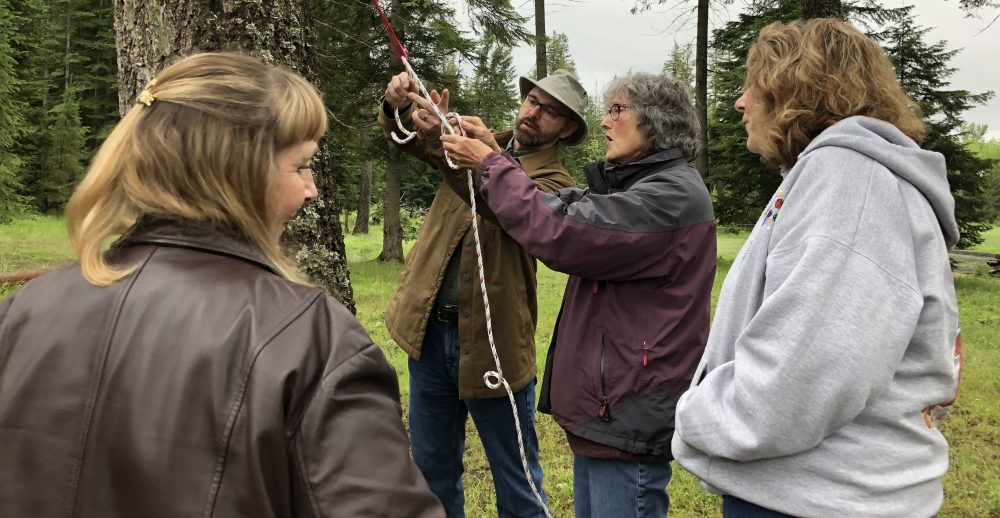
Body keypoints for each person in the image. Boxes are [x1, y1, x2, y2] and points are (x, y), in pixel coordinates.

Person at [0, 52, 444, 518]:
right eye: (300, 167)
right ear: (239, 175)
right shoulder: (311, 338)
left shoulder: (23, 309)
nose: (311, 191)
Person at [671, 18, 963, 518]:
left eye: (752, 85)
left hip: (821, 499)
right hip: (819, 490)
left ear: (793, 89)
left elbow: (806, 375)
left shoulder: (852, 181)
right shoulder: (838, 176)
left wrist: (692, 412)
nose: (740, 103)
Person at [435, 72, 717, 518]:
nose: (605, 122)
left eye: (617, 110)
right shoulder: (638, 188)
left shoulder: (668, 196)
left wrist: (491, 163)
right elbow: (558, 207)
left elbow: (561, 232)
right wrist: (489, 153)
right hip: (611, 410)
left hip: (629, 410)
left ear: (656, 123)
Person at [378, 68, 588, 518]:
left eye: (549, 111)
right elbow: (412, 141)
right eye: (532, 100)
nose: (533, 112)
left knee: (517, 483)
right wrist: (402, 107)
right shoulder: (480, 141)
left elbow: (501, 201)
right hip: (430, 336)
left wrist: (477, 156)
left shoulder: (557, 186)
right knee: (431, 472)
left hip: (496, 350)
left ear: (567, 129)